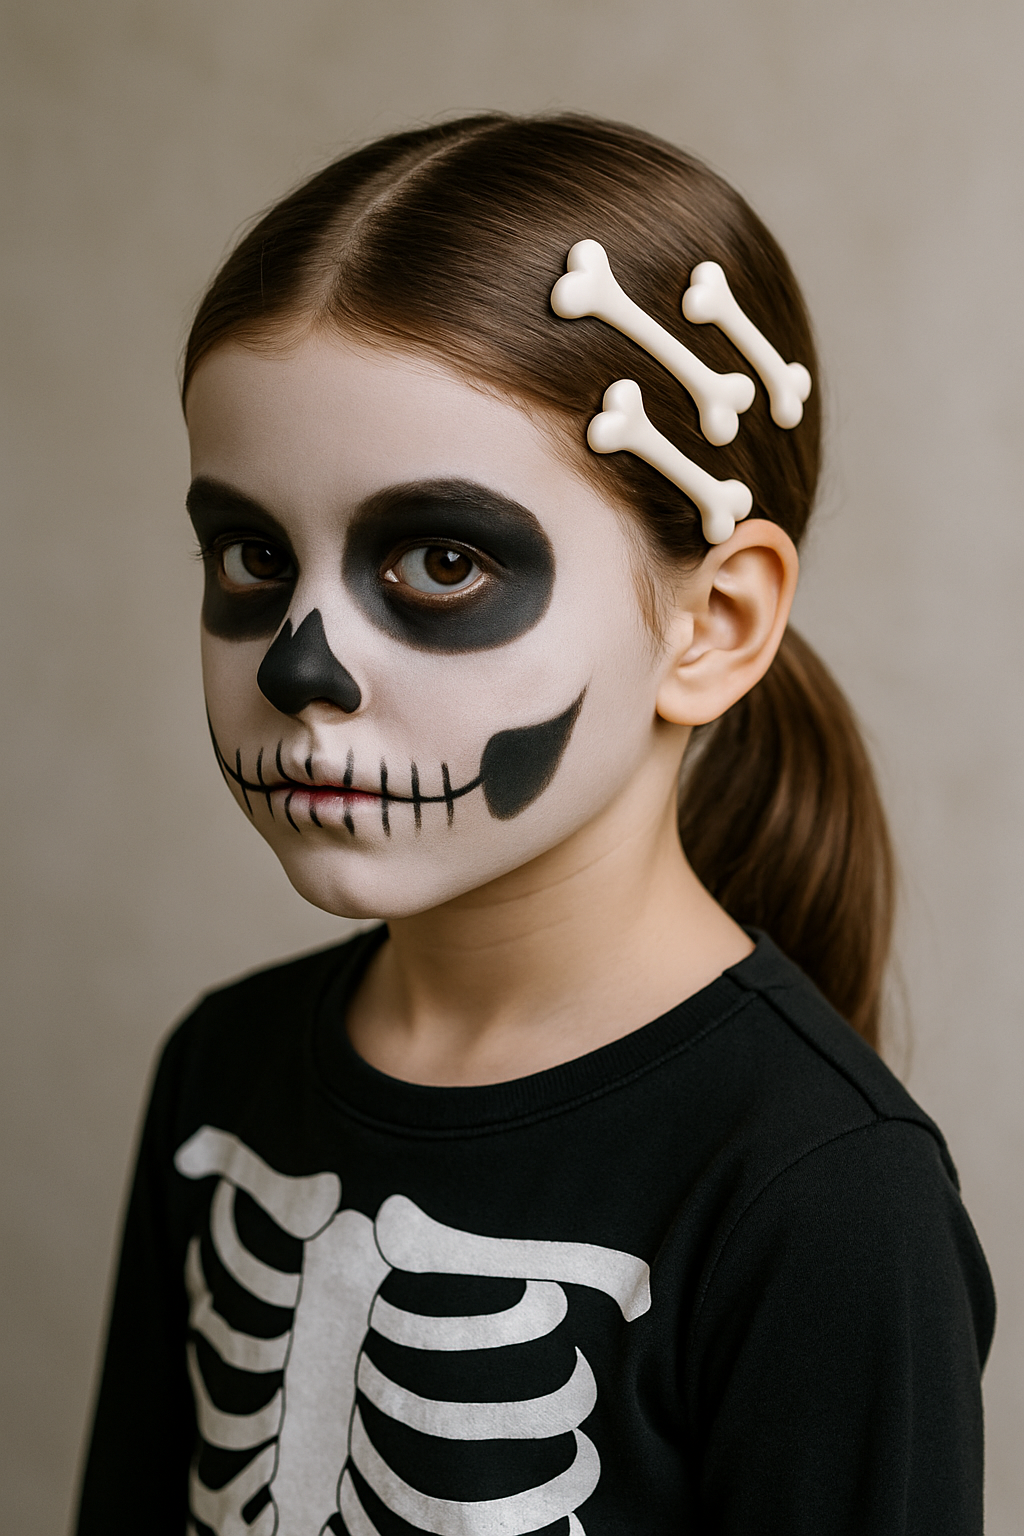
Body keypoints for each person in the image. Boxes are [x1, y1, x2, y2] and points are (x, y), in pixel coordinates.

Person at [75, 113, 994, 1536]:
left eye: (443, 561)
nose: (302, 667)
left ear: (712, 623)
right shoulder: (220, 1072)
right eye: (253, 553)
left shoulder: (825, 1193)